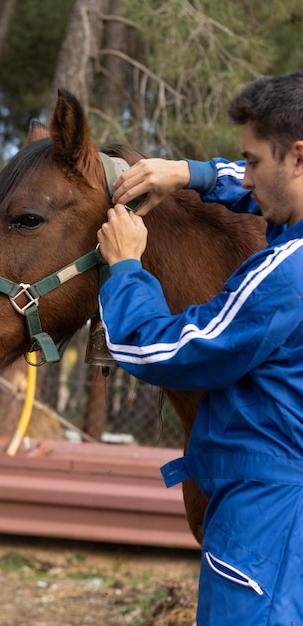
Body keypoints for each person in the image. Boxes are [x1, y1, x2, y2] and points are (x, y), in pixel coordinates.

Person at [97, 72, 303, 625]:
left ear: (299, 158)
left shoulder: (289, 273)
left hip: (269, 515)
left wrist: (125, 271)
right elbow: (257, 186)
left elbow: (170, 351)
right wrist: (193, 174)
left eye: (253, 162)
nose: (247, 178)